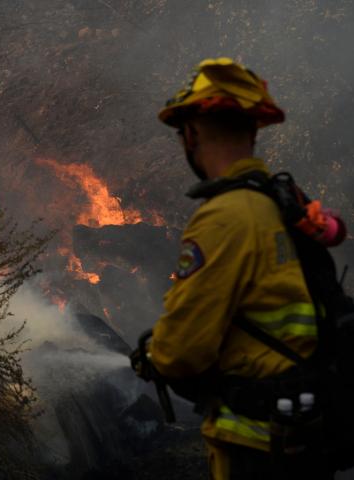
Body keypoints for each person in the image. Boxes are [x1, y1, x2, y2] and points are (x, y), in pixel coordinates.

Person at [144, 58, 336, 479]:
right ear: (252, 132)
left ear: (191, 134)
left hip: (255, 447)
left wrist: (153, 354)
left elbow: (181, 353)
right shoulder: (282, 203)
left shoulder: (226, 216)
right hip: (301, 437)